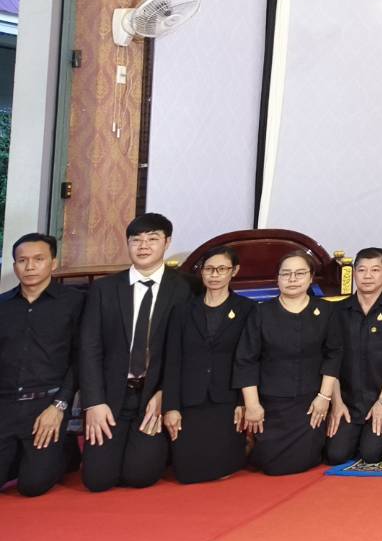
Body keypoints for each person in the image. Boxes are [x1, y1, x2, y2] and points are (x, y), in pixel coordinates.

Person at [79, 212, 190, 492]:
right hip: (110, 396)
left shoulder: (185, 289)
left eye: (152, 239)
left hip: (153, 395)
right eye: (136, 240)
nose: (143, 246)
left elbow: (187, 351)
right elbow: (89, 347)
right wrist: (93, 402)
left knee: (139, 476)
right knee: (98, 480)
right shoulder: (104, 289)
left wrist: (167, 393)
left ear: (167, 243)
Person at [234, 250, 342, 475]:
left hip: (310, 403)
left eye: (300, 273)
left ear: (311, 277)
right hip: (271, 403)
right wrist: (252, 405)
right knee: (270, 466)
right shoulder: (261, 312)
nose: (292, 280)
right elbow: (246, 360)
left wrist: (324, 397)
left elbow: (334, 355)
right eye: (286, 274)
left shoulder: (325, 310)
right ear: (278, 278)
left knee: (303, 461)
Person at [0, 233, 84, 497]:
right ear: (14, 266)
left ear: (53, 263)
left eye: (38, 259)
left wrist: (60, 406)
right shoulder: (2, 305)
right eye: (22, 261)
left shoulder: (75, 302)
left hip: (46, 406)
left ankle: (65, 449)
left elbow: (81, 358)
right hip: (5, 404)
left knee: (32, 486)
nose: (30, 266)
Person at [161, 245, 253, 483]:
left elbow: (250, 359)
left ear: (234, 271)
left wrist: (244, 402)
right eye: (209, 269)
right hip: (190, 400)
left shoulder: (247, 309)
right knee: (187, 472)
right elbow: (172, 360)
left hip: (226, 399)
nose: (214, 274)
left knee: (224, 466)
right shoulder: (182, 311)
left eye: (221, 269)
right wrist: (171, 407)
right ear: (201, 272)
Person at [325, 247, 382, 466]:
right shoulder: (338, 310)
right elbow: (331, 359)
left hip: (381, 396)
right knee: (336, 455)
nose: (368, 276)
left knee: (371, 455)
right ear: (354, 273)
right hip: (348, 400)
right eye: (362, 270)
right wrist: (337, 402)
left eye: (375, 270)